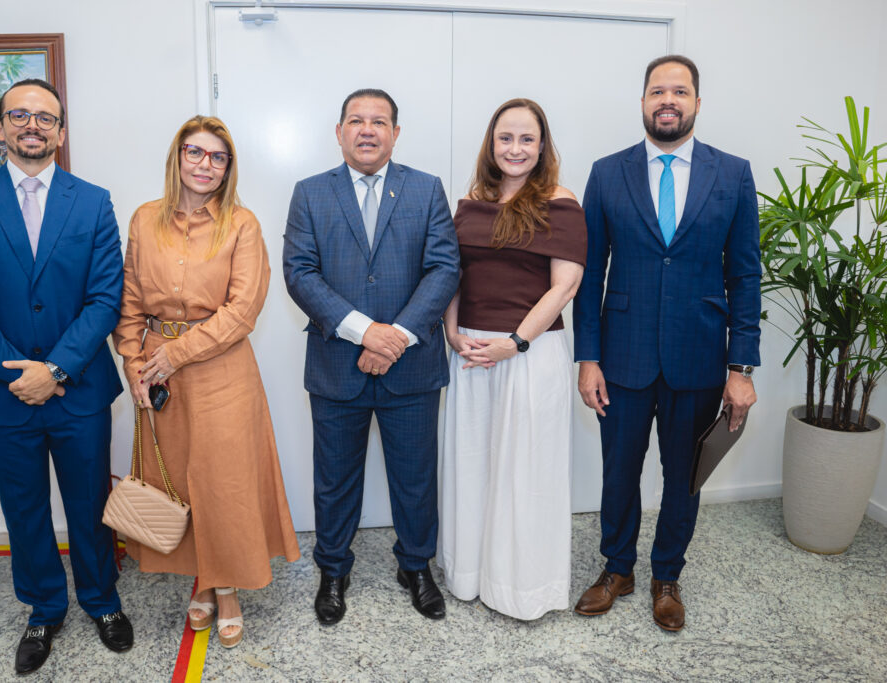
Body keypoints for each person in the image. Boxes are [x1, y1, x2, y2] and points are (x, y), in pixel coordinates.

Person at [0, 78, 132, 675]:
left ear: (62, 132)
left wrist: (56, 369)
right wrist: (18, 372)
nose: (32, 126)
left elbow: (105, 298)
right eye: (19, 115)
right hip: (2, 394)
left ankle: (101, 601)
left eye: (45, 118)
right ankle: (44, 607)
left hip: (79, 390)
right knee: (23, 509)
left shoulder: (93, 200)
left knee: (89, 503)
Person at [572, 55, 760, 631]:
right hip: (622, 357)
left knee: (684, 476)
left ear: (698, 102)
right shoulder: (607, 173)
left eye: (680, 91)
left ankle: (666, 576)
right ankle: (617, 569)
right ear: (644, 101)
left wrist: (742, 366)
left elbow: (745, 274)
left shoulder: (733, 174)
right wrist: (588, 357)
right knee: (618, 472)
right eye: (658, 91)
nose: (668, 100)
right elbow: (588, 269)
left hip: (700, 357)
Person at [112, 115, 300, 649]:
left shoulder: (242, 224)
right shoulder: (144, 219)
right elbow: (128, 300)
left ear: (228, 168)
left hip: (221, 368)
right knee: (177, 479)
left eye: (218, 157)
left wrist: (175, 354)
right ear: (177, 157)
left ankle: (228, 588)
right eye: (195, 153)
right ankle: (202, 576)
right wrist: (133, 361)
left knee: (224, 482)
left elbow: (243, 311)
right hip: (155, 368)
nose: (205, 165)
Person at [283, 88, 461, 625]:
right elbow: (300, 273)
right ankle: (333, 570)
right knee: (334, 479)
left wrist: (396, 337)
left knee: (415, 476)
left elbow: (444, 268)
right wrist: (365, 334)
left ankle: (416, 566)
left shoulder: (426, 189)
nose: (367, 130)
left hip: (412, 366)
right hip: (338, 366)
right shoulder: (310, 193)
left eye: (378, 121)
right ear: (339, 132)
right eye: (356, 121)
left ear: (395, 134)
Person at [437, 98, 586, 620]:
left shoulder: (561, 201)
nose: (515, 148)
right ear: (491, 142)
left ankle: (523, 588)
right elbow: (454, 272)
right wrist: (453, 332)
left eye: (526, 139)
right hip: (472, 351)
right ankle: (470, 575)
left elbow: (565, 286)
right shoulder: (471, 199)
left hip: (530, 352)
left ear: (542, 145)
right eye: (506, 138)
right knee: (473, 463)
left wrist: (515, 342)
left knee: (526, 472)